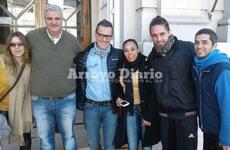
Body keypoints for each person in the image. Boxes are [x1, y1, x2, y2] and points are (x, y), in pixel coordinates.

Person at [26, 4, 81, 150]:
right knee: (45, 140)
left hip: (67, 100)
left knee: (69, 137)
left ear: (62, 20)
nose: (54, 22)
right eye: (50, 18)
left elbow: (80, 65)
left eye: (57, 18)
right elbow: (21, 60)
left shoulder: (72, 41)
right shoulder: (31, 38)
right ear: (44, 20)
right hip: (40, 100)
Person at [147, 16, 198, 150]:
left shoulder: (187, 49)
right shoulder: (152, 58)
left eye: (162, 34)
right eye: (154, 35)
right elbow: (152, 89)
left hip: (187, 117)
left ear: (169, 32)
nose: (158, 39)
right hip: (165, 118)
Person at [74, 19, 121, 150]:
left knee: (109, 145)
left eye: (108, 36)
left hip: (110, 108)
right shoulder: (84, 55)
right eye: (101, 35)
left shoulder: (118, 55)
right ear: (96, 34)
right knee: (93, 144)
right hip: (91, 107)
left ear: (111, 36)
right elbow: (78, 79)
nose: (104, 39)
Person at [115, 39, 160, 150]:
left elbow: (153, 92)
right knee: (132, 145)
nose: (129, 53)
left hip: (145, 110)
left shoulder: (146, 63)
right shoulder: (122, 64)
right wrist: (119, 97)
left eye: (132, 49)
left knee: (146, 145)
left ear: (138, 50)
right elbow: (118, 86)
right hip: (130, 109)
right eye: (126, 50)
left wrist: (149, 116)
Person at [192, 28, 230, 150]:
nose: (199, 46)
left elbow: (227, 107)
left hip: (221, 134)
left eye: (204, 42)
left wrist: (226, 139)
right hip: (208, 131)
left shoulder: (221, 71)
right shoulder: (198, 66)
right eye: (197, 42)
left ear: (214, 45)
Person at [0, 31, 33, 150]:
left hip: (23, 108)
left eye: (20, 44)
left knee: (26, 137)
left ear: (25, 45)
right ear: (9, 47)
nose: (17, 47)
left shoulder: (30, 64)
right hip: (2, 108)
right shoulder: (2, 61)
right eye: (13, 45)